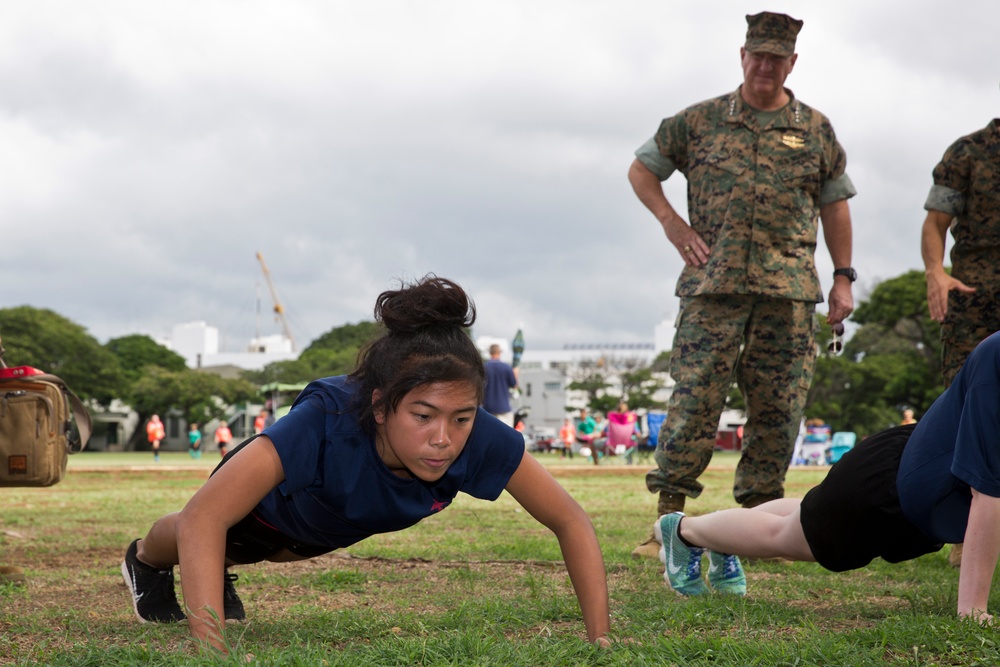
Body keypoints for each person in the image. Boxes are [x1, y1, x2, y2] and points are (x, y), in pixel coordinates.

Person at [120, 276, 611, 653]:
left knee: (247, 553)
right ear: (380, 406)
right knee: (198, 531)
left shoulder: (477, 435)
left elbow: (569, 519)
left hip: (320, 531)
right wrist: (213, 653)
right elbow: (208, 517)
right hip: (265, 509)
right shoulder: (323, 419)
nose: (443, 438)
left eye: (460, 417)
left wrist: (601, 638)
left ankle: (216, 567)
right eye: (423, 416)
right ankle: (142, 560)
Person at [627, 11, 857, 558]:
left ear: (791, 63)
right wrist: (671, 223)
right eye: (758, 55)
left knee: (779, 411)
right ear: (742, 56)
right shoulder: (699, 121)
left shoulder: (816, 129)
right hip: (713, 288)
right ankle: (669, 527)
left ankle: (756, 530)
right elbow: (642, 169)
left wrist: (843, 278)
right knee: (694, 403)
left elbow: (836, 207)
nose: (765, 66)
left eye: (777, 58)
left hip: (790, 294)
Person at [653, 329, 1000, 623]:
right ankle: (684, 532)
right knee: (786, 537)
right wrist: (973, 609)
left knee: (799, 516)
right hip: (887, 488)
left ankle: (721, 536)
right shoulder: (996, 356)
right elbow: (988, 491)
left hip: (909, 473)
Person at [921, 114, 1000, 569]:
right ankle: (963, 533)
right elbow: (935, 224)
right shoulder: (966, 152)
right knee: (969, 413)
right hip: (975, 302)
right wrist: (936, 271)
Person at [482, 344, 518, 427]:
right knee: (506, 436)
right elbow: (514, 385)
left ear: (490, 353)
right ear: (499, 352)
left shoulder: (484, 367)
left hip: (488, 408)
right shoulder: (506, 367)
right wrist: (515, 373)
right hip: (504, 407)